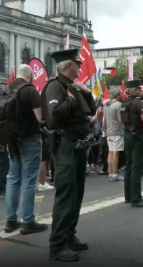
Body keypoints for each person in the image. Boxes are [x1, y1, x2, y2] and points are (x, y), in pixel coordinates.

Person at [42, 49, 97, 262]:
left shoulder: (73, 86)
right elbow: (54, 117)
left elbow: (91, 110)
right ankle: (57, 244)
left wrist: (85, 92)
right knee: (66, 194)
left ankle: (68, 235)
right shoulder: (55, 86)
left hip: (78, 144)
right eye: (77, 64)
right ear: (68, 66)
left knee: (76, 193)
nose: (80, 67)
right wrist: (71, 101)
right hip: (65, 144)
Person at [4, 64, 47, 235]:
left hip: (12, 140)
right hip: (30, 139)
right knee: (29, 181)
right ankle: (28, 221)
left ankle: (10, 220)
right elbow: (40, 118)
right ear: (29, 75)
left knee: (13, 180)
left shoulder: (7, 90)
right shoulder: (30, 90)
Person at [120, 80, 143, 206]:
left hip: (127, 133)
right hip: (137, 135)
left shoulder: (124, 102)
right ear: (134, 90)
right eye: (139, 88)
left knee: (129, 165)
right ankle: (136, 198)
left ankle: (128, 196)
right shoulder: (138, 102)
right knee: (136, 167)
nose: (141, 90)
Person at [103, 89, 124, 181]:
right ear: (118, 95)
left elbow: (104, 120)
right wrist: (122, 129)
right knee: (116, 153)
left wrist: (104, 128)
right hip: (116, 131)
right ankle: (115, 173)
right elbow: (120, 120)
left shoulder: (107, 105)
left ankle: (111, 172)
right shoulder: (118, 105)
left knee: (110, 152)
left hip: (109, 131)